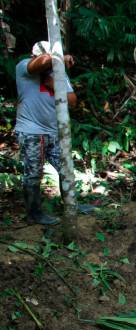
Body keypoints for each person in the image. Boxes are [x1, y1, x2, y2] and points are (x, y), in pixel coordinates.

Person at [15, 41, 77, 225]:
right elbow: (40, 64)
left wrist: (54, 85)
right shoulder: (24, 67)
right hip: (32, 131)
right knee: (33, 173)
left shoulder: (58, 72)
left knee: (66, 168)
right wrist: (59, 58)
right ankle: (34, 213)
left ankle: (71, 204)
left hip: (54, 132)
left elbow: (72, 101)